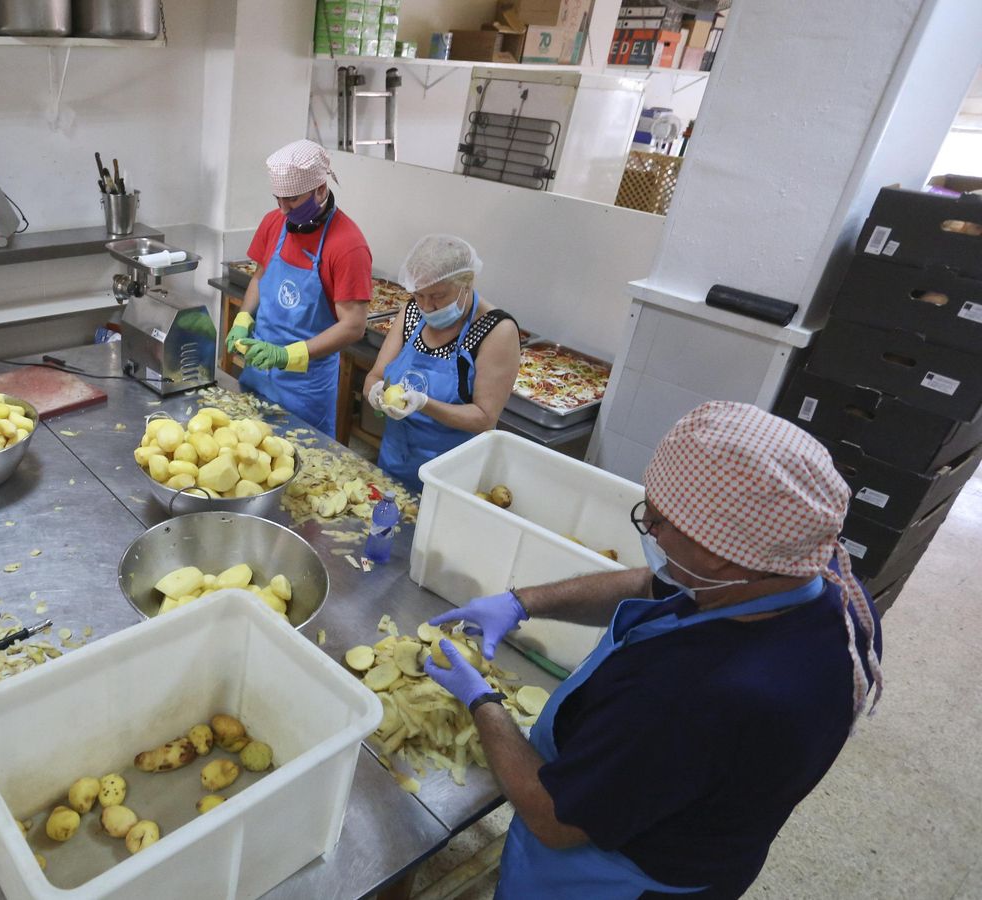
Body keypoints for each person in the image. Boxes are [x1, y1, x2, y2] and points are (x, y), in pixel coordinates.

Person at [423, 402, 883, 899]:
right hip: (678, 811)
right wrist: (521, 602)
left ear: (720, 556)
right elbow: (658, 582)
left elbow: (552, 817)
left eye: (659, 522)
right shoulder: (815, 585)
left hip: (613, 876)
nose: (650, 530)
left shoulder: (697, 699)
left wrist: (481, 701)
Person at [228, 139, 372, 436]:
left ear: (321, 189)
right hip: (258, 372)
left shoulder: (347, 245)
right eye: (277, 198)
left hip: (304, 389)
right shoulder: (273, 223)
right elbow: (260, 277)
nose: (282, 209)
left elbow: (353, 326)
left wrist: (287, 356)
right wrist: (243, 319)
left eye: (292, 199)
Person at [361, 235, 519, 493]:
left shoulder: (495, 331)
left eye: (437, 295)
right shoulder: (411, 313)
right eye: (419, 295)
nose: (427, 306)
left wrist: (424, 404)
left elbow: (484, 417)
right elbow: (375, 375)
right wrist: (376, 393)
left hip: (450, 476)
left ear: (466, 284)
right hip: (395, 460)